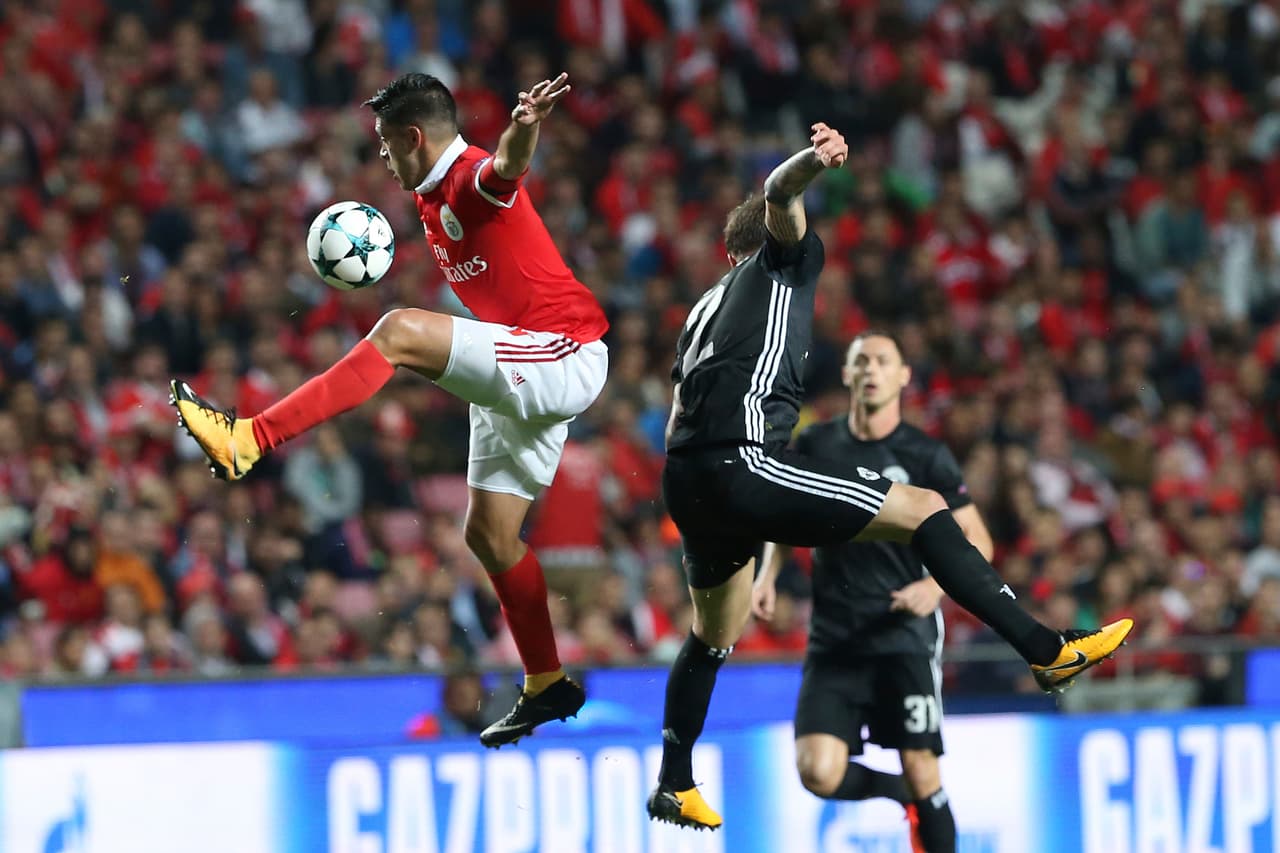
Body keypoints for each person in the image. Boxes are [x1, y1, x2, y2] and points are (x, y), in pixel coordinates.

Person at [647, 123, 1133, 831]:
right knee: (926, 506)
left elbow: (674, 415)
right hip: (740, 458)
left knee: (711, 638)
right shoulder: (782, 262)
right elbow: (780, 190)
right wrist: (814, 162)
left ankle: (674, 778)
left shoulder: (703, 308)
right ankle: (1046, 650)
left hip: (686, 477)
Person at [170, 72, 609, 747]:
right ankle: (546, 681)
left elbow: (506, 169)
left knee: (399, 329)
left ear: (413, 137)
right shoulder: (433, 194)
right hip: (524, 358)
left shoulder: (464, 178)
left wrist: (524, 126)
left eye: (384, 145)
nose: (380, 157)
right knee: (489, 535)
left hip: (562, 352)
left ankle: (249, 438)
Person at [754, 331, 987, 853]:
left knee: (922, 765)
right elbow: (784, 512)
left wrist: (935, 587)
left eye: (883, 361)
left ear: (904, 376)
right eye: (861, 361)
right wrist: (767, 573)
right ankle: (899, 794)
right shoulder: (817, 444)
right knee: (817, 771)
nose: (871, 369)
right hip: (836, 634)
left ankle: (919, 798)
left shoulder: (924, 454)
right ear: (847, 375)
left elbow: (980, 539)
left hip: (903, 634)